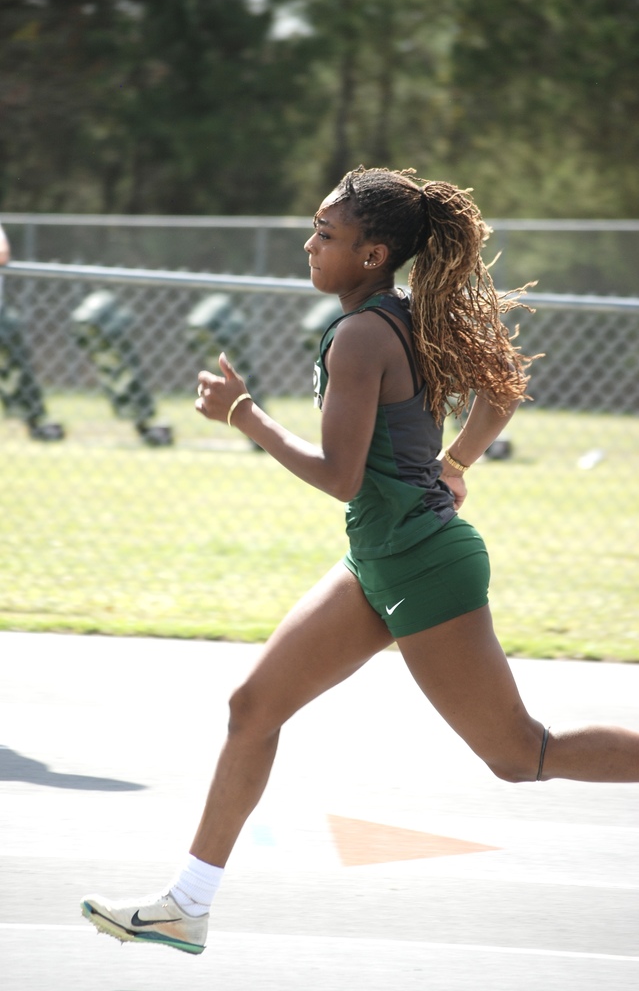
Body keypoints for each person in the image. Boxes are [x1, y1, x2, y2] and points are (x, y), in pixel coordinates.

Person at [81, 167, 639, 955]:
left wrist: (246, 416)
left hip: (420, 566)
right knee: (252, 708)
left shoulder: (361, 336)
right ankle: (186, 905)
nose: (309, 244)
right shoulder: (406, 317)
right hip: (380, 557)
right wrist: (454, 465)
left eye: (325, 234)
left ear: (373, 253)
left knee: (520, 755)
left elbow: (338, 475)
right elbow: (500, 394)